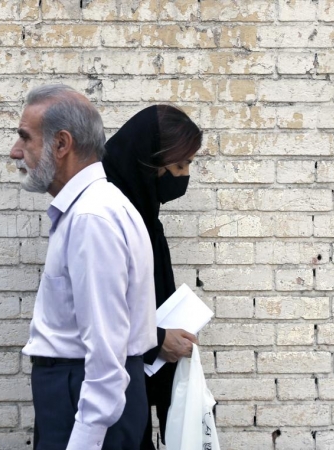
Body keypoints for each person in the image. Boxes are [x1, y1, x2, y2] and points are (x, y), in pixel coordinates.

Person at [12, 84, 157, 450]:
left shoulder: (92, 218)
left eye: (25, 139)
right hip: (80, 396)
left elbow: (107, 357)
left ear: (61, 145)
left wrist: (84, 442)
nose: (16, 152)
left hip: (82, 399)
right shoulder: (92, 209)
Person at [102, 105, 203, 450]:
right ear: (150, 162)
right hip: (109, 395)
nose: (184, 176)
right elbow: (99, 308)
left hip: (134, 386)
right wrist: (157, 338)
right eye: (178, 165)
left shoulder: (144, 217)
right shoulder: (109, 215)